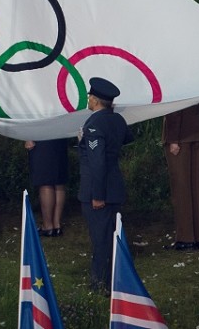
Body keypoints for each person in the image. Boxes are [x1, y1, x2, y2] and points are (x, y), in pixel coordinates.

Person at [78, 76, 134, 293]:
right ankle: (113, 278)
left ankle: (100, 284)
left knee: (100, 240)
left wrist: (97, 195)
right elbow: (127, 138)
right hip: (115, 186)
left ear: (95, 100)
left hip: (98, 189)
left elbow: (97, 162)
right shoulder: (117, 119)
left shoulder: (93, 123)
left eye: (90, 96)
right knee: (110, 236)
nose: (88, 99)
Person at [162, 99, 199, 250]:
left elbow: (174, 105)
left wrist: (173, 138)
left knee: (181, 186)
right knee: (197, 185)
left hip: (180, 136)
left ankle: (186, 237)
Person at [24, 138, 69, 236]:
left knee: (45, 182)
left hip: (42, 139)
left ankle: (48, 226)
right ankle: (57, 224)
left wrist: (28, 136)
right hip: (59, 138)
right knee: (58, 181)